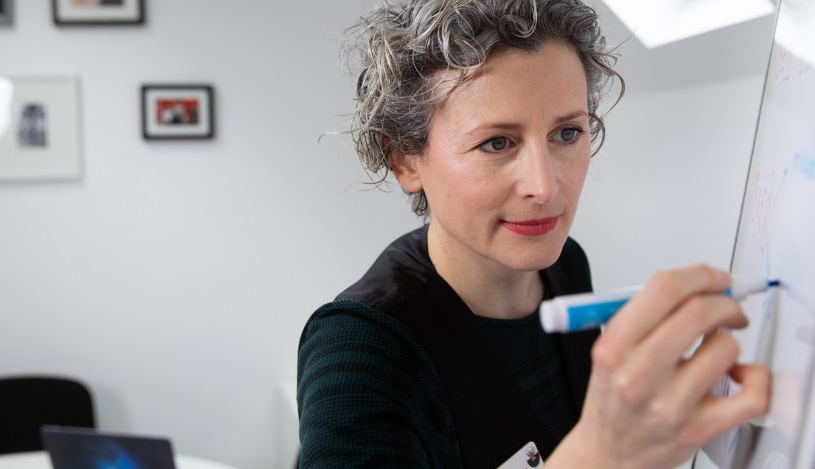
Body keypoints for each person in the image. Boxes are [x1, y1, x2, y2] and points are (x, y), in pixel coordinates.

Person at [295, 0, 770, 467]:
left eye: (567, 134)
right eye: (496, 143)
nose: (544, 188)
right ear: (403, 158)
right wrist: (607, 452)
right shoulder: (358, 351)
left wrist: (657, 434)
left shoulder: (565, 265)